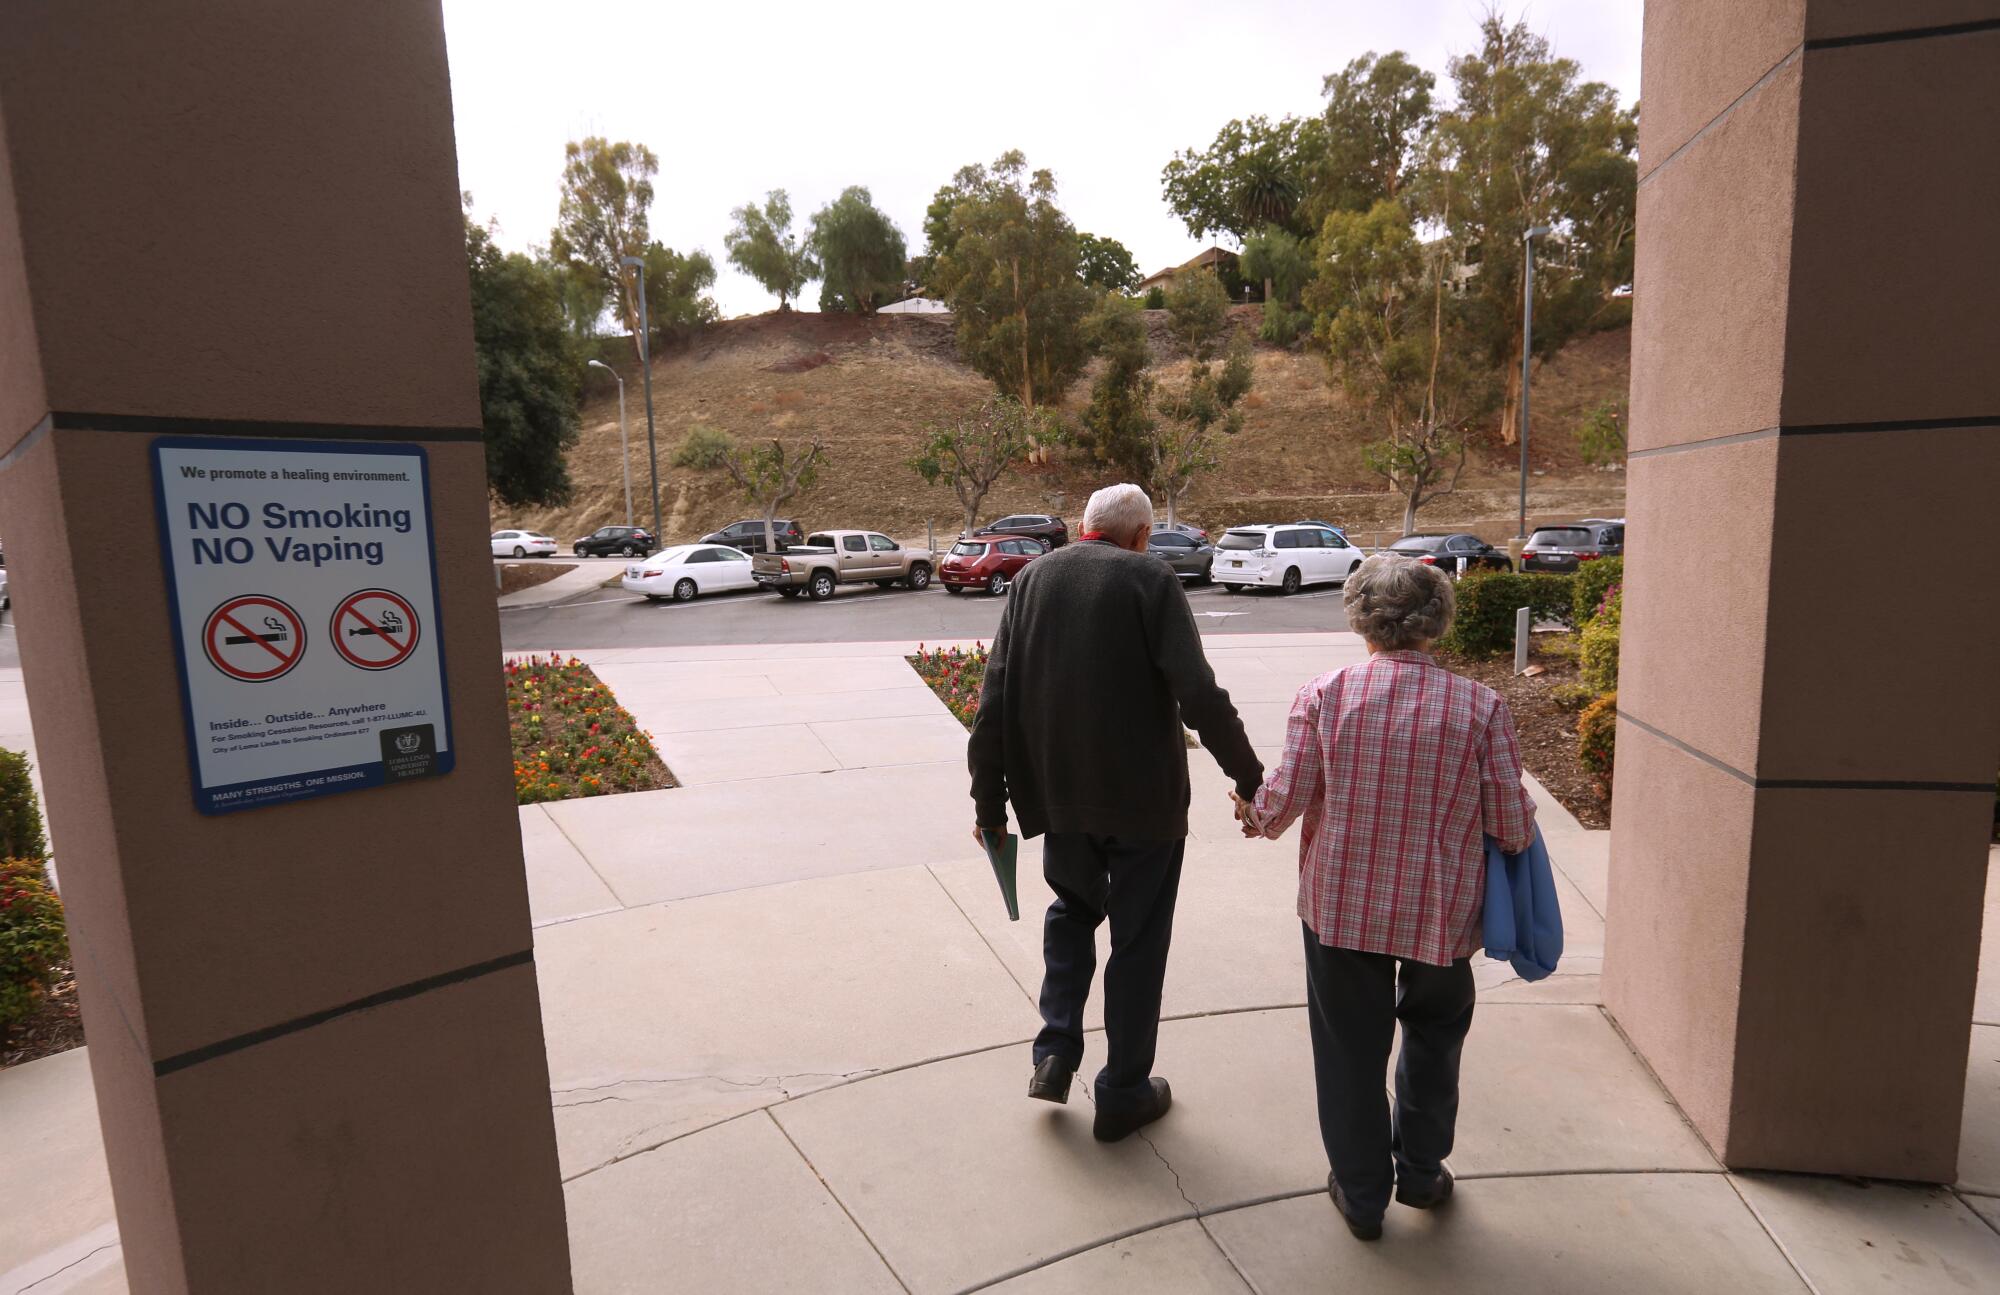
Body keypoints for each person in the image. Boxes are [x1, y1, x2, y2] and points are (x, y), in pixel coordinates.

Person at [1233, 553, 1536, 1240]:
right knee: (1433, 1041)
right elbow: (1512, 828)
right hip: (1442, 917)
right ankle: (1422, 1174)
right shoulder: (1481, 707)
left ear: (1360, 617)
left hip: (1341, 909)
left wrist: (1251, 809)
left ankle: (1363, 1193)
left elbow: (1280, 806)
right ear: (1436, 623)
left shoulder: (1324, 694)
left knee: (1348, 1050)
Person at [969, 483, 1262, 1142]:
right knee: (1137, 941)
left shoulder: (1031, 581)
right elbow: (1197, 693)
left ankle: (1055, 1049)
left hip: (1061, 798)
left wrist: (990, 805)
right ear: (1140, 537)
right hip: (1145, 806)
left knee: (1071, 913)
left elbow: (993, 705)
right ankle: (1123, 1090)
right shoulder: (1149, 580)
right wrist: (1250, 777)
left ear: (1083, 526)